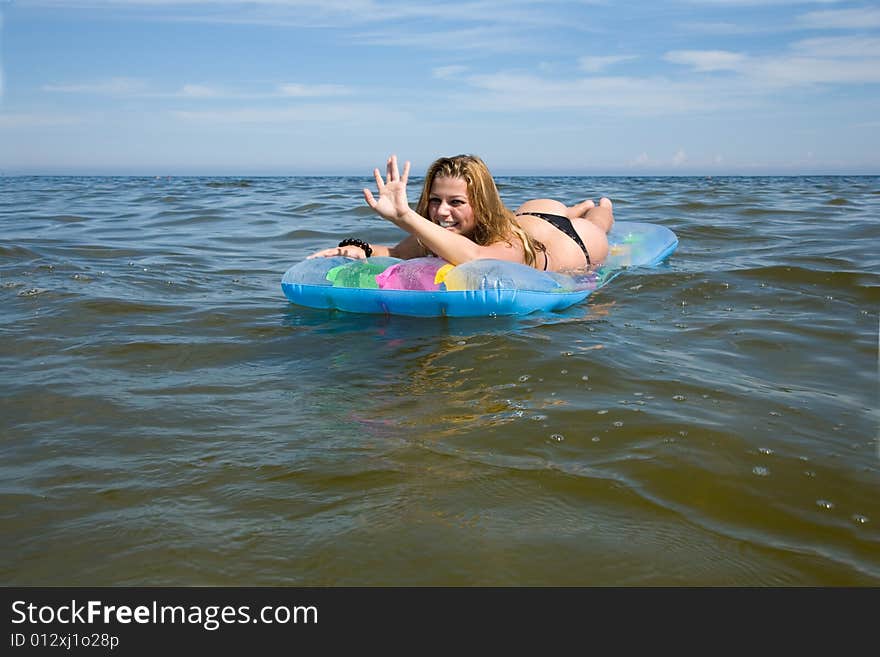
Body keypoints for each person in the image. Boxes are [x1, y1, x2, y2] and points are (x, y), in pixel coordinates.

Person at [307, 154, 614, 272]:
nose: (442, 212)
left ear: (480, 203)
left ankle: (595, 206)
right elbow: (398, 253)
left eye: (456, 202)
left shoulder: (509, 242)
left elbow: (476, 259)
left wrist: (405, 217)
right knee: (562, 210)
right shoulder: (441, 234)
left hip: (574, 242)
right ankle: (577, 207)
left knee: (597, 220)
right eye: (435, 200)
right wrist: (359, 250)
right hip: (529, 213)